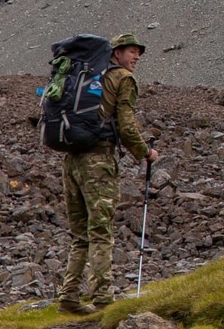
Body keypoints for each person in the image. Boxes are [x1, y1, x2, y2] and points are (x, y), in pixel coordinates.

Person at [59, 33, 160, 314]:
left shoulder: (86, 76)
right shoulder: (122, 79)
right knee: (101, 230)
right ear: (115, 53)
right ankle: (103, 298)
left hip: (72, 160)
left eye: (138, 52)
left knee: (80, 234)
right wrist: (145, 153)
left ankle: (69, 297)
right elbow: (126, 127)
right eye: (131, 51)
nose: (136, 57)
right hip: (98, 161)